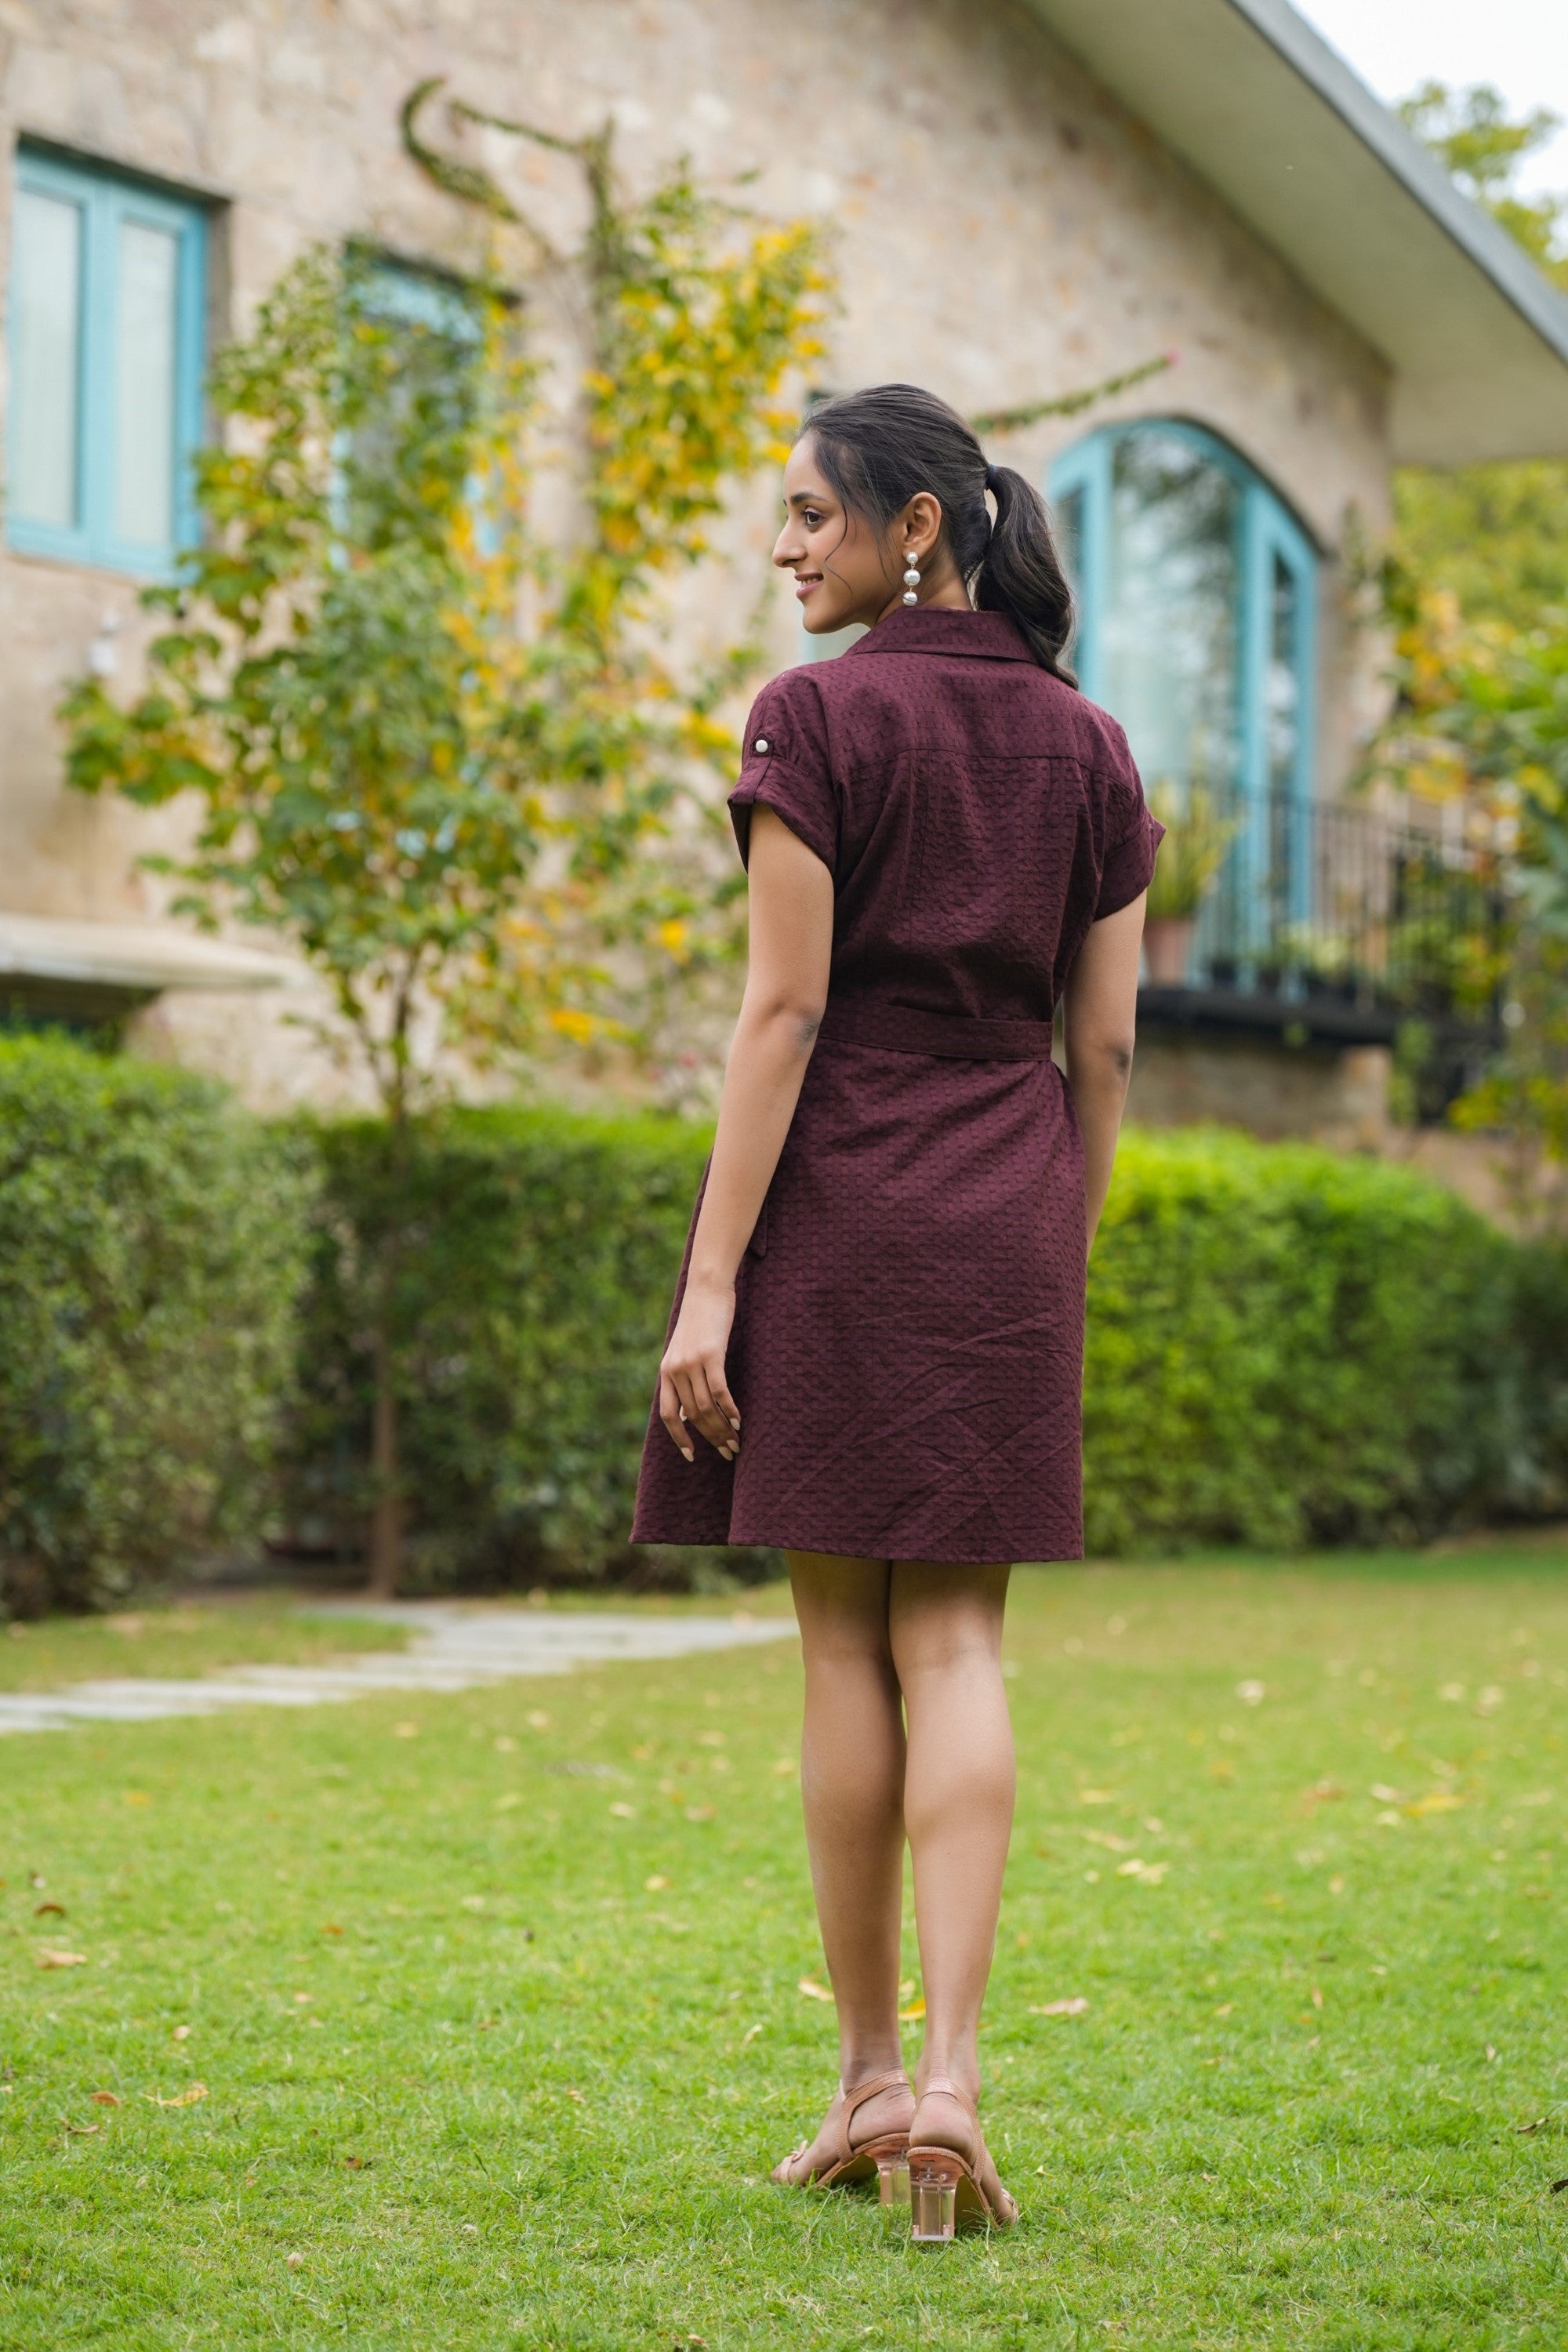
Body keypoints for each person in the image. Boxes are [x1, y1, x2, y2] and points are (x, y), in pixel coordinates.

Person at [631, 383, 1160, 2241]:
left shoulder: (814, 716)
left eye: (807, 517)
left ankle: (871, 2072)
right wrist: (1052, 1244)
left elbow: (779, 1018)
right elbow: (1098, 1048)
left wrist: (709, 1289)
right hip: (1004, 1215)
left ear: (913, 525)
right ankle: (947, 2087)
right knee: (961, 1654)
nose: (783, 549)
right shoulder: (1093, 746)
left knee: (842, 1652)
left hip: (841, 1209)